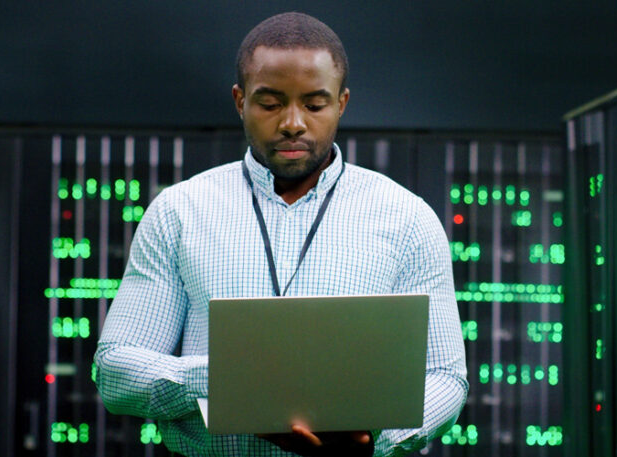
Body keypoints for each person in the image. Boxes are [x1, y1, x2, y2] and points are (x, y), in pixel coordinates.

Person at [95, 11, 467, 457]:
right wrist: (228, 378)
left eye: (314, 104)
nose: (292, 122)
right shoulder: (179, 212)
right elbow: (115, 371)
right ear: (240, 100)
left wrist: (376, 441)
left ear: (342, 103)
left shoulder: (408, 218)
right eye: (270, 104)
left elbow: (447, 376)